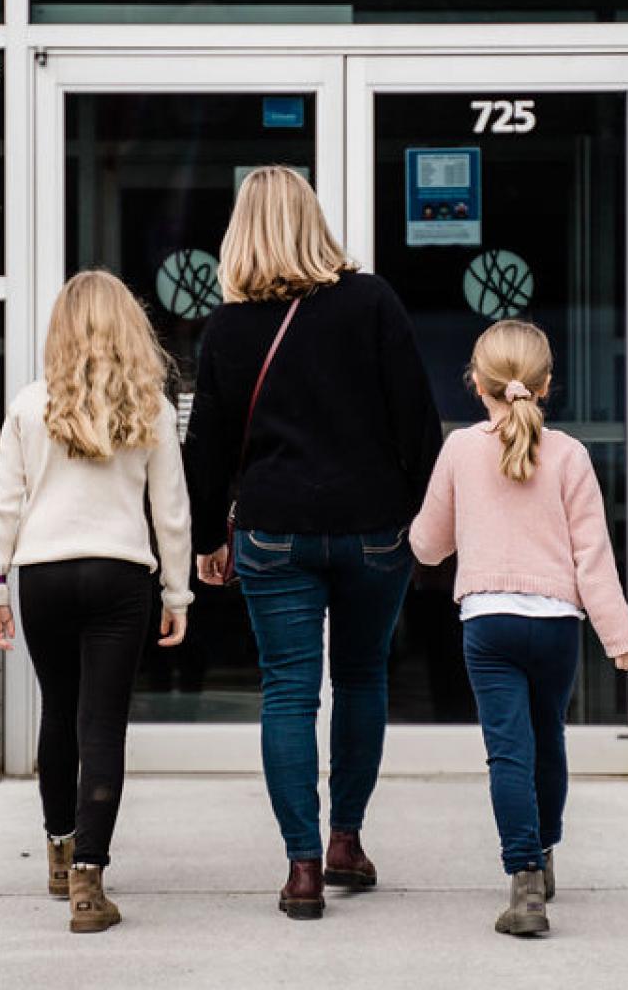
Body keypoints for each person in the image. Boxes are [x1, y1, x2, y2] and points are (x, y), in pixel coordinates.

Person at [185, 166, 442, 920]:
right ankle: (344, 842)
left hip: (272, 532)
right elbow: (419, 428)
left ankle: (300, 869)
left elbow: (206, 447)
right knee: (361, 679)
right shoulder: (371, 302)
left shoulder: (229, 327)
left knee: (288, 692)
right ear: (313, 221)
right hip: (373, 531)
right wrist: (432, 529)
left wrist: (206, 538)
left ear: (243, 232)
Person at [408, 319, 628, 937]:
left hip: (488, 624)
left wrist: (414, 534)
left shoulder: (461, 448)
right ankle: (544, 852)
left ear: (475, 382)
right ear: (544, 386)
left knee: (508, 753)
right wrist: (620, 638)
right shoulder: (571, 454)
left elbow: (429, 547)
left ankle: (524, 888)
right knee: (549, 741)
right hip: (556, 627)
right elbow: (592, 556)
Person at [0, 269, 192, 934]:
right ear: (129, 326)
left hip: (42, 574)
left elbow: (2, 501)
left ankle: (57, 850)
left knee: (60, 712)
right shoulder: (148, 405)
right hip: (119, 572)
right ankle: (88, 887)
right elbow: (173, 511)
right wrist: (177, 592)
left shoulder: (31, 404)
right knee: (102, 724)